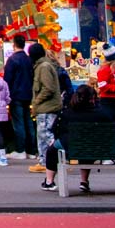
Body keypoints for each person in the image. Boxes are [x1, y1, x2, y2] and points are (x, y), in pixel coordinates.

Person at [54, 80, 115, 193]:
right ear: (92, 98)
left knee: (54, 149)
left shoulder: (67, 113)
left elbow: (57, 129)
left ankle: (49, 180)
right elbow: (113, 131)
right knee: (88, 145)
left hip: (71, 147)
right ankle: (84, 181)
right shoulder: (101, 114)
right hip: (96, 148)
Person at [31, 43, 69, 178]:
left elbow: (48, 88)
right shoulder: (43, 66)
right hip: (45, 108)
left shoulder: (44, 67)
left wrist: (36, 101)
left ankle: (57, 160)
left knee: (48, 135)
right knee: (43, 135)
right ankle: (44, 161)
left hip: (47, 108)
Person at [3, 34, 34, 160]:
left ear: (13, 44)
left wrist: (6, 96)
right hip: (28, 94)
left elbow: (7, 80)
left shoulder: (12, 60)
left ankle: (20, 150)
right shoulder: (29, 59)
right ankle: (31, 151)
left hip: (16, 95)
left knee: (19, 123)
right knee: (28, 122)